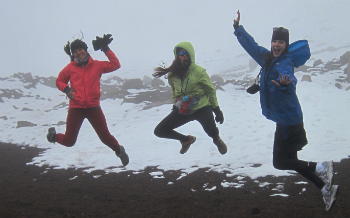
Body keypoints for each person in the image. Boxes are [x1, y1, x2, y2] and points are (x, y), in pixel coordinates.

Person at [233, 10, 338, 211]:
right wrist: (238, 29)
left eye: (281, 42)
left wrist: (285, 85)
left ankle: (322, 167)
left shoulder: (285, 63)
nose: (277, 45)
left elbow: (290, 79)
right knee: (292, 161)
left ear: (286, 45)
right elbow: (251, 46)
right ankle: (326, 189)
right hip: (286, 119)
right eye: (275, 41)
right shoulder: (266, 57)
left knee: (280, 162)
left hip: (289, 121)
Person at [46, 34, 129, 166]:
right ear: (72, 54)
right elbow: (59, 81)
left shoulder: (97, 65)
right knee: (69, 141)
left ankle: (119, 151)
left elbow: (115, 64)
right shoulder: (70, 68)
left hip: (93, 108)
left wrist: (105, 48)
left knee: (105, 137)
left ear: (86, 50)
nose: (79, 53)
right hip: (76, 108)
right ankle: (53, 137)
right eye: (76, 51)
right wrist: (66, 89)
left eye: (81, 49)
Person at [153, 41, 227, 155]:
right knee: (159, 131)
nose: (184, 56)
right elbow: (174, 92)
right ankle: (186, 140)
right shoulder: (172, 74)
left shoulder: (199, 72)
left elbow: (210, 90)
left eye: (187, 53)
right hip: (184, 108)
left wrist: (216, 109)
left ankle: (217, 140)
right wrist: (175, 106)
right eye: (181, 53)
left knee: (211, 131)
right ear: (177, 56)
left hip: (201, 107)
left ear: (191, 55)